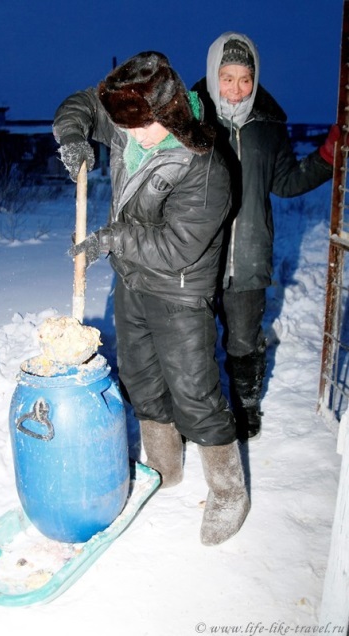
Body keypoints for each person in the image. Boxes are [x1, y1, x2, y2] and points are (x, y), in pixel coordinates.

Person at [53, 51, 250, 546]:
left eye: (142, 126)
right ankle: (165, 465)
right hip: (133, 282)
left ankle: (229, 492)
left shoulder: (206, 166)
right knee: (140, 376)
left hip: (180, 290)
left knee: (194, 391)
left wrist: (112, 238)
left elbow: (179, 246)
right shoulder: (131, 118)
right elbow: (81, 103)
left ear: (168, 112)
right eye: (124, 125)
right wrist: (74, 135)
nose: (131, 135)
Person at [192, 32, 337, 441]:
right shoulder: (190, 120)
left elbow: (288, 182)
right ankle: (199, 410)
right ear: (212, 74)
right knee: (195, 341)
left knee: (243, 339)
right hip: (199, 254)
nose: (236, 89)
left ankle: (246, 406)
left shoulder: (269, 126)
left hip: (250, 254)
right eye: (227, 77)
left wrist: (327, 155)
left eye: (245, 79)